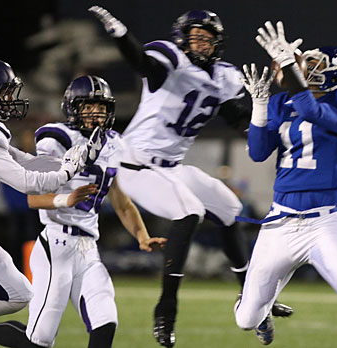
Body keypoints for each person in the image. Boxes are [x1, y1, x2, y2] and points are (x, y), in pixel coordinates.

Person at [88, 6, 293, 347]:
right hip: (135, 166)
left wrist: (268, 120)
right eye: (194, 38)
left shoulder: (224, 77)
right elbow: (142, 62)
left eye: (207, 39)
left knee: (229, 208)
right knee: (190, 212)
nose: (200, 45)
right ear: (181, 41)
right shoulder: (169, 62)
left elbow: (236, 116)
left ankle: (252, 298)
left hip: (171, 168)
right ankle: (165, 309)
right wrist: (121, 34)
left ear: (218, 44)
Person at [0, 75, 167, 348]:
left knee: (105, 321)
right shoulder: (57, 137)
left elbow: (121, 201)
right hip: (56, 245)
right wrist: (68, 199)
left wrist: (142, 236)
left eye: (101, 107)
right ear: (72, 108)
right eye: (88, 107)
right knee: (39, 341)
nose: (95, 113)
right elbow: (34, 198)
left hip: (89, 248)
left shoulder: (112, 143)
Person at [234, 21, 337, 347]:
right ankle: (262, 313)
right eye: (306, 65)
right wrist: (260, 106)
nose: (307, 69)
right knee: (245, 319)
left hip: (323, 222)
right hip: (279, 221)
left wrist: (289, 67)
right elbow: (259, 152)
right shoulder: (281, 103)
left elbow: (315, 112)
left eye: (315, 66)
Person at [0, 58, 100, 347]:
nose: (10, 99)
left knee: (20, 294)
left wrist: (76, 160)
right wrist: (67, 170)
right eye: (5, 92)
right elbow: (28, 182)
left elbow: (30, 161)